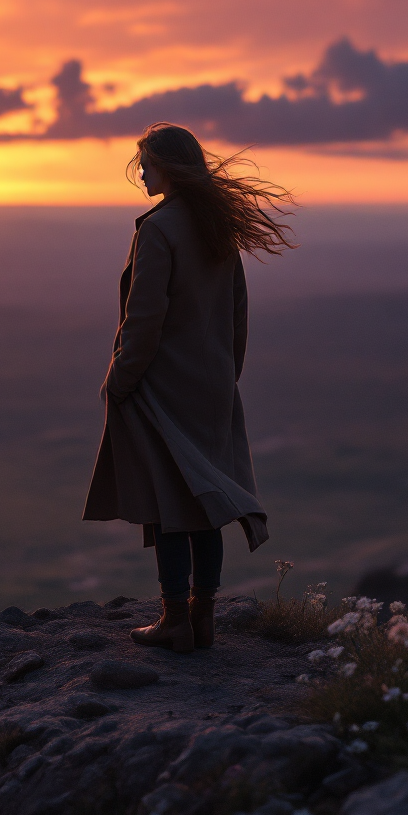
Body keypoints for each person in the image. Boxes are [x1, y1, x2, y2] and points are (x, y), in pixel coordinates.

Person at [83, 122, 295, 653]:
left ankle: (175, 618)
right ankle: (203, 619)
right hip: (212, 382)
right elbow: (236, 313)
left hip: (163, 385)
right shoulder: (215, 224)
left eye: (146, 164)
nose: (142, 174)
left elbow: (145, 318)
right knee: (205, 500)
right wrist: (226, 374)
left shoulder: (159, 229)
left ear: (167, 166)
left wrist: (121, 378)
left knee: (171, 502)